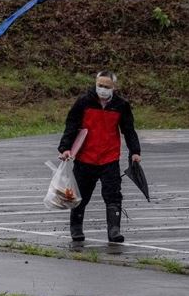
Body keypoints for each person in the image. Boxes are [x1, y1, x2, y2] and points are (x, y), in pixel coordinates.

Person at [58, 70, 141, 243]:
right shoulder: (83, 102)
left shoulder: (121, 105)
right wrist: (65, 148)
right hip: (85, 158)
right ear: (96, 84)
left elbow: (129, 130)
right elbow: (71, 125)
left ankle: (114, 231)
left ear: (113, 87)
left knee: (113, 195)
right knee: (81, 195)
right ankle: (76, 228)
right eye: (100, 85)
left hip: (109, 158)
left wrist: (135, 151)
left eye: (106, 86)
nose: (103, 89)